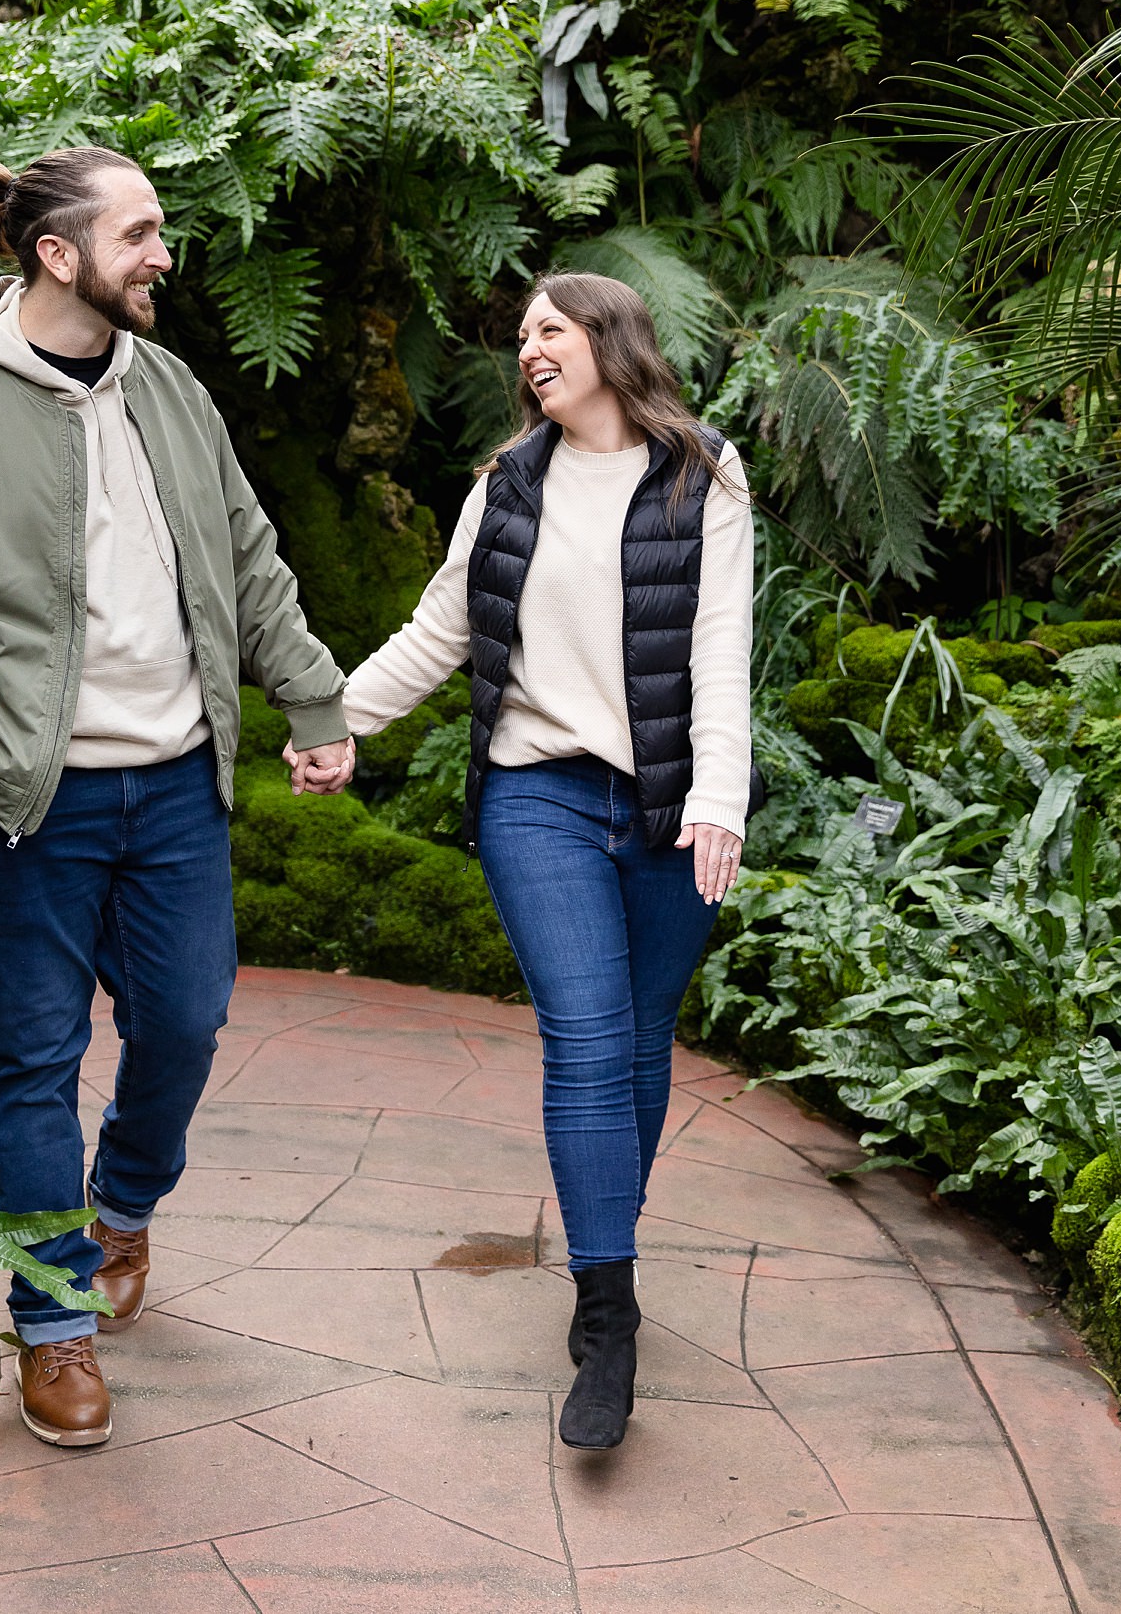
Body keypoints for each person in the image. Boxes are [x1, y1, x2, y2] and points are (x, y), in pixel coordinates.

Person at [0, 146, 353, 1450]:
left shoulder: (169, 390)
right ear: (59, 254)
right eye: (141, 232)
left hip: (175, 785)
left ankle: (122, 1207)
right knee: (32, 1059)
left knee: (185, 1018)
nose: (164, 253)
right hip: (21, 804)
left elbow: (248, 557)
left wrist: (312, 698)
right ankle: (53, 1326)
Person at [330, 271, 752, 1451]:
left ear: (610, 341)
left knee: (637, 1040)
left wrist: (719, 797)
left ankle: (607, 1235)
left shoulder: (702, 475)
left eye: (549, 331)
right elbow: (439, 632)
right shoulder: (505, 487)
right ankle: (608, 1313)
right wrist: (337, 720)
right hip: (539, 796)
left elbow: (721, 647)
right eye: (521, 336)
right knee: (586, 1035)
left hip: (668, 805)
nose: (528, 351)